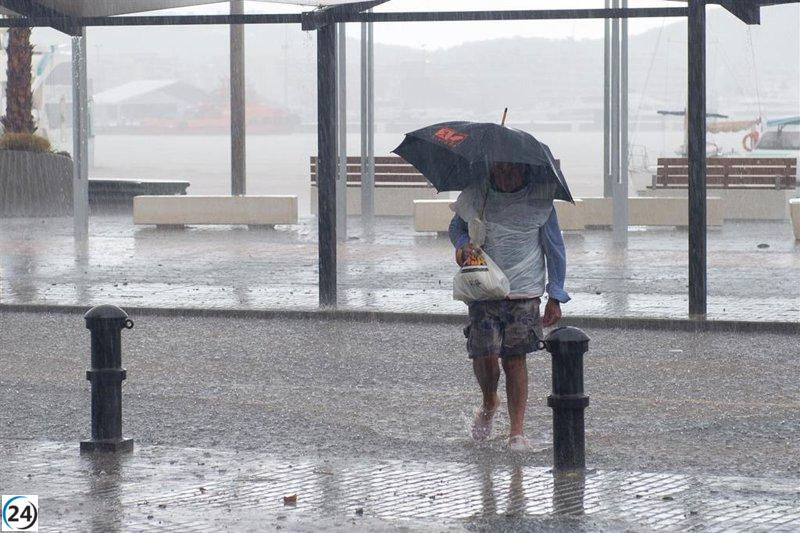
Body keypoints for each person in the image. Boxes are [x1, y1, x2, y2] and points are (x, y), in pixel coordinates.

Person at [449, 161, 569, 452]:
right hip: (484, 287)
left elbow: (555, 249)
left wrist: (555, 294)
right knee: (484, 355)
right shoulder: (478, 196)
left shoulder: (540, 203)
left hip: (524, 292)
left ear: (525, 171)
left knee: (515, 359)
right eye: (499, 170)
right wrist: (463, 244)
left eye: (512, 170)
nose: (505, 175)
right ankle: (489, 401)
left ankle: (517, 430)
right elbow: (456, 227)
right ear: (489, 170)